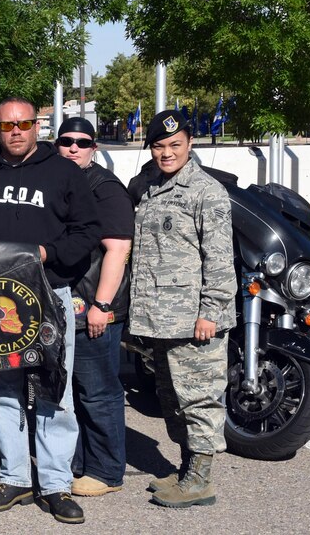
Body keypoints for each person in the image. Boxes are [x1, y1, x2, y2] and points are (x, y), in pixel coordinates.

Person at [0, 97, 99, 524]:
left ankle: (55, 484)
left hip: (50, 294)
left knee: (56, 390)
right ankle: (14, 478)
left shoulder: (64, 172)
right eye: (7, 125)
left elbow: (87, 231)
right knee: (1, 388)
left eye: (24, 123)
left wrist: (51, 253)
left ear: (37, 126)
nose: (15, 131)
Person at [129, 109, 235, 508]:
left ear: (190, 144)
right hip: (160, 318)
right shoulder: (152, 187)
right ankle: (187, 468)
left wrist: (211, 310)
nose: (167, 153)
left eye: (175, 145)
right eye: (159, 146)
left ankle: (201, 480)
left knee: (199, 398)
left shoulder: (207, 192)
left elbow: (220, 259)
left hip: (195, 319)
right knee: (172, 397)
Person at [52, 118, 133, 497]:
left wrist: (101, 305)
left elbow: (117, 250)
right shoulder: (60, 180)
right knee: (72, 390)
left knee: (98, 391)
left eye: (81, 143)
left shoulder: (105, 188)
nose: (73, 148)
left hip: (96, 306)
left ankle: (107, 471)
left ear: (93, 148)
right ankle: (80, 464)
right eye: (66, 141)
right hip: (69, 302)